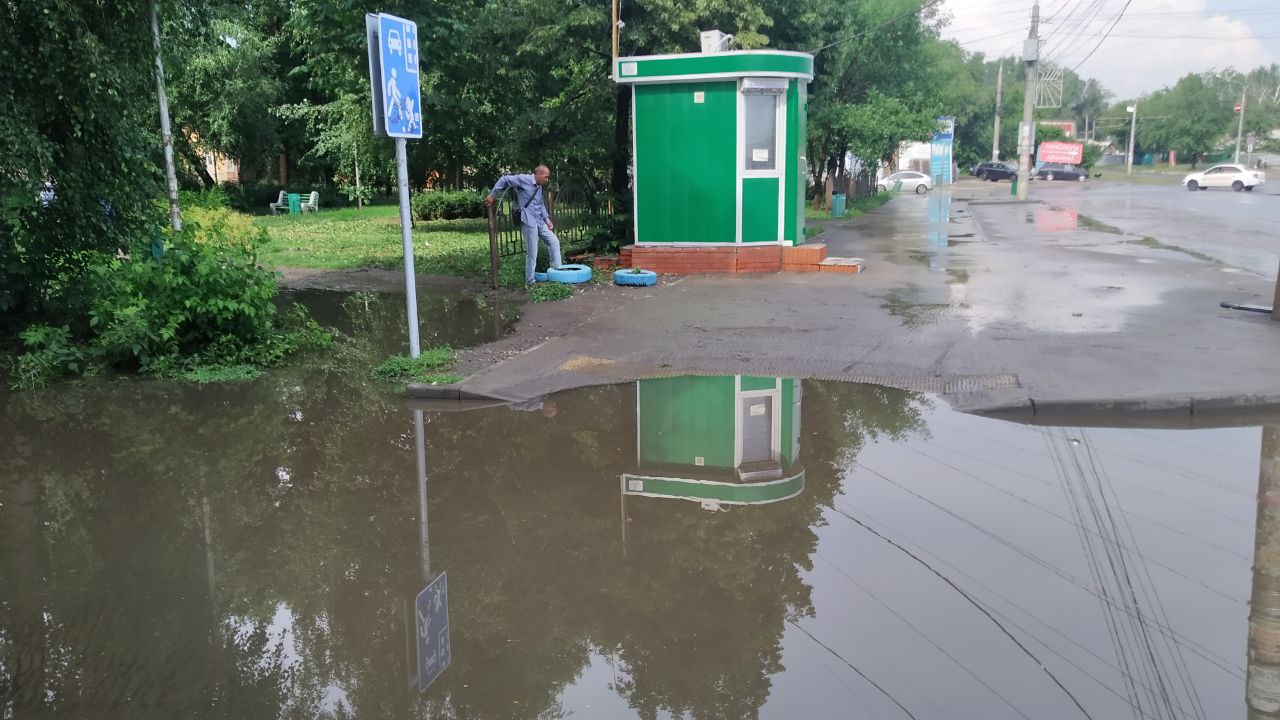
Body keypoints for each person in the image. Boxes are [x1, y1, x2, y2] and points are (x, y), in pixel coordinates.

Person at [485, 166, 563, 285]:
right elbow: (504, 179)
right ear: (538, 174)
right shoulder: (524, 179)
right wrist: (493, 195)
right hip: (528, 221)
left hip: (539, 222)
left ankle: (557, 274)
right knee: (532, 252)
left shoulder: (539, 186)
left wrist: (547, 220)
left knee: (554, 241)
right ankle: (530, 281)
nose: (547, 180)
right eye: (546, 177)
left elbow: (541, 204)